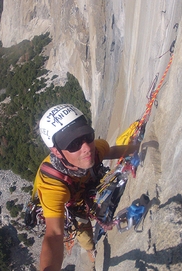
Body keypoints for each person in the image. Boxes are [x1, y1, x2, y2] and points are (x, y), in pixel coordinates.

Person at [35, 104, 139, 271]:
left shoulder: (96, 148)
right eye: (74, 143)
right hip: (73, 204)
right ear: (55, 151)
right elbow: (54, 234)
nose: (86, 148)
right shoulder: (51, 185)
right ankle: (91, 250)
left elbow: (111, 151)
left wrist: (136, 148)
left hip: (89, 187)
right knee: (84, 233)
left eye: (87, 136)